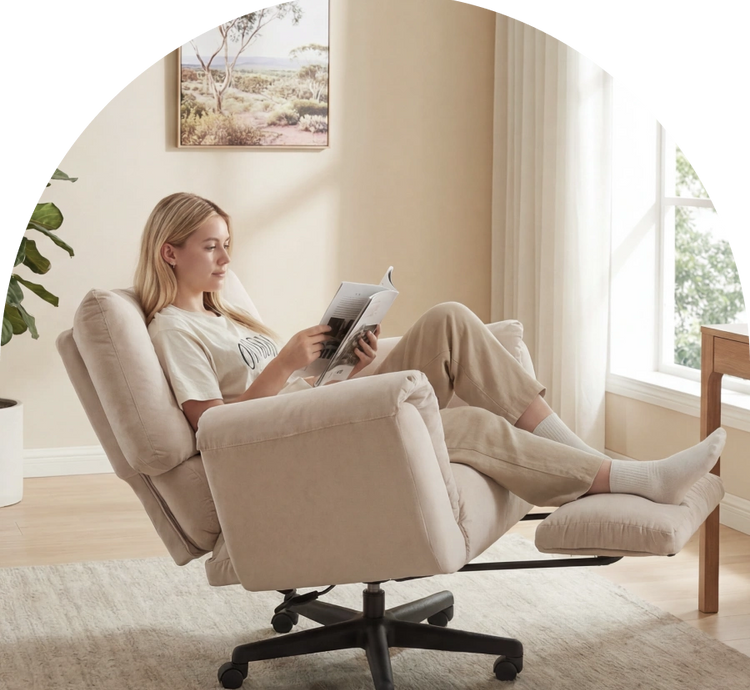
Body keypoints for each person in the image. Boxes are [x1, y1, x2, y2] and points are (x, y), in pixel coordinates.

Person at [134, 192, 725, 509]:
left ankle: (580, 453)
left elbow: (286, 390)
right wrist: (288, 362)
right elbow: (213, 426)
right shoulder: (174, 330)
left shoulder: (223, 315)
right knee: (462, 426)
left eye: (227, 244)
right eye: (211, 247)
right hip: (287, 446)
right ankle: (630, 478)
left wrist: (342, 366)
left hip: (316, 409)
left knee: (450, 319)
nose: (226, 258)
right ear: (170, 252)